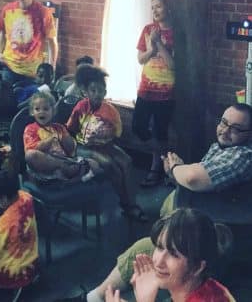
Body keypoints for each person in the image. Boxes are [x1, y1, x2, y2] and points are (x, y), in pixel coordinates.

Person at [87, 105, 252, 302]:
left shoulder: (243, 156)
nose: (225, 130)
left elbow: (191, 179)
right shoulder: (221, 147)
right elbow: (197, 185)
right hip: (196, 219)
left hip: (213, 230)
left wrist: (176, 168)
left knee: (143, 249)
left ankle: (93, 297)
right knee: (152, 243)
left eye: (236, 129)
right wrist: (176, 174)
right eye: (224, 122)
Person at [66, 65, 148, 221]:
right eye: (93, 90)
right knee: (109, 164)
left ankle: (131, 202)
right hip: (84, 146)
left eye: (100, 90)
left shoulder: (110, 111)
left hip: (105, 145)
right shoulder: (80, 107)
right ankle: (127, 204)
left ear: (105, 92)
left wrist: (106, 137)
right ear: (86, 92)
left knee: (127, 161)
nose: (97, 94)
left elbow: (117, 133)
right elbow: (70, 129)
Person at [102, 209, 234, 302]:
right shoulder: (206, 288)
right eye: (159, 247)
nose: (159, 261)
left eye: (174, 254)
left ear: (197, 267)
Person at [135, 0, 176, 188]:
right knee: (138, 127)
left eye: (158, 6)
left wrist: (158, 42)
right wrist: (152, 48)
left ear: (168, 7)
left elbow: (173, 65)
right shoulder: (148, 29)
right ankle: (162, 157)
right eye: (152, 7)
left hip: (166, 92)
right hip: (146, 88)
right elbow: (141, 59)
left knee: (161, 132)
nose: (155, 11)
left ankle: (155, 168)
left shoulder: (176, 33)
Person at [24, 91, 100, 184]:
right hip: (45, 165)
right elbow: (33, 148)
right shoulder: (30, 129)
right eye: (37, 109)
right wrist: (49, 140)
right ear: (32, 112)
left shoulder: (59, 127)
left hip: (65, 159)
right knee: (30, 155)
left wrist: (65, 138)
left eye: (46, 109)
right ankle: (70, 171)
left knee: (95, 164)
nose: (41, 112)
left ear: (53, 111)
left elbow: (70, 149)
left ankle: (74, 174)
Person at [0, 0, 58, 84]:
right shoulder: (7, 10)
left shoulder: (43, 12)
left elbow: (52, 42)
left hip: (33, 72)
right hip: (9, 67)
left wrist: (51, 67)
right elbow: (3, 33)